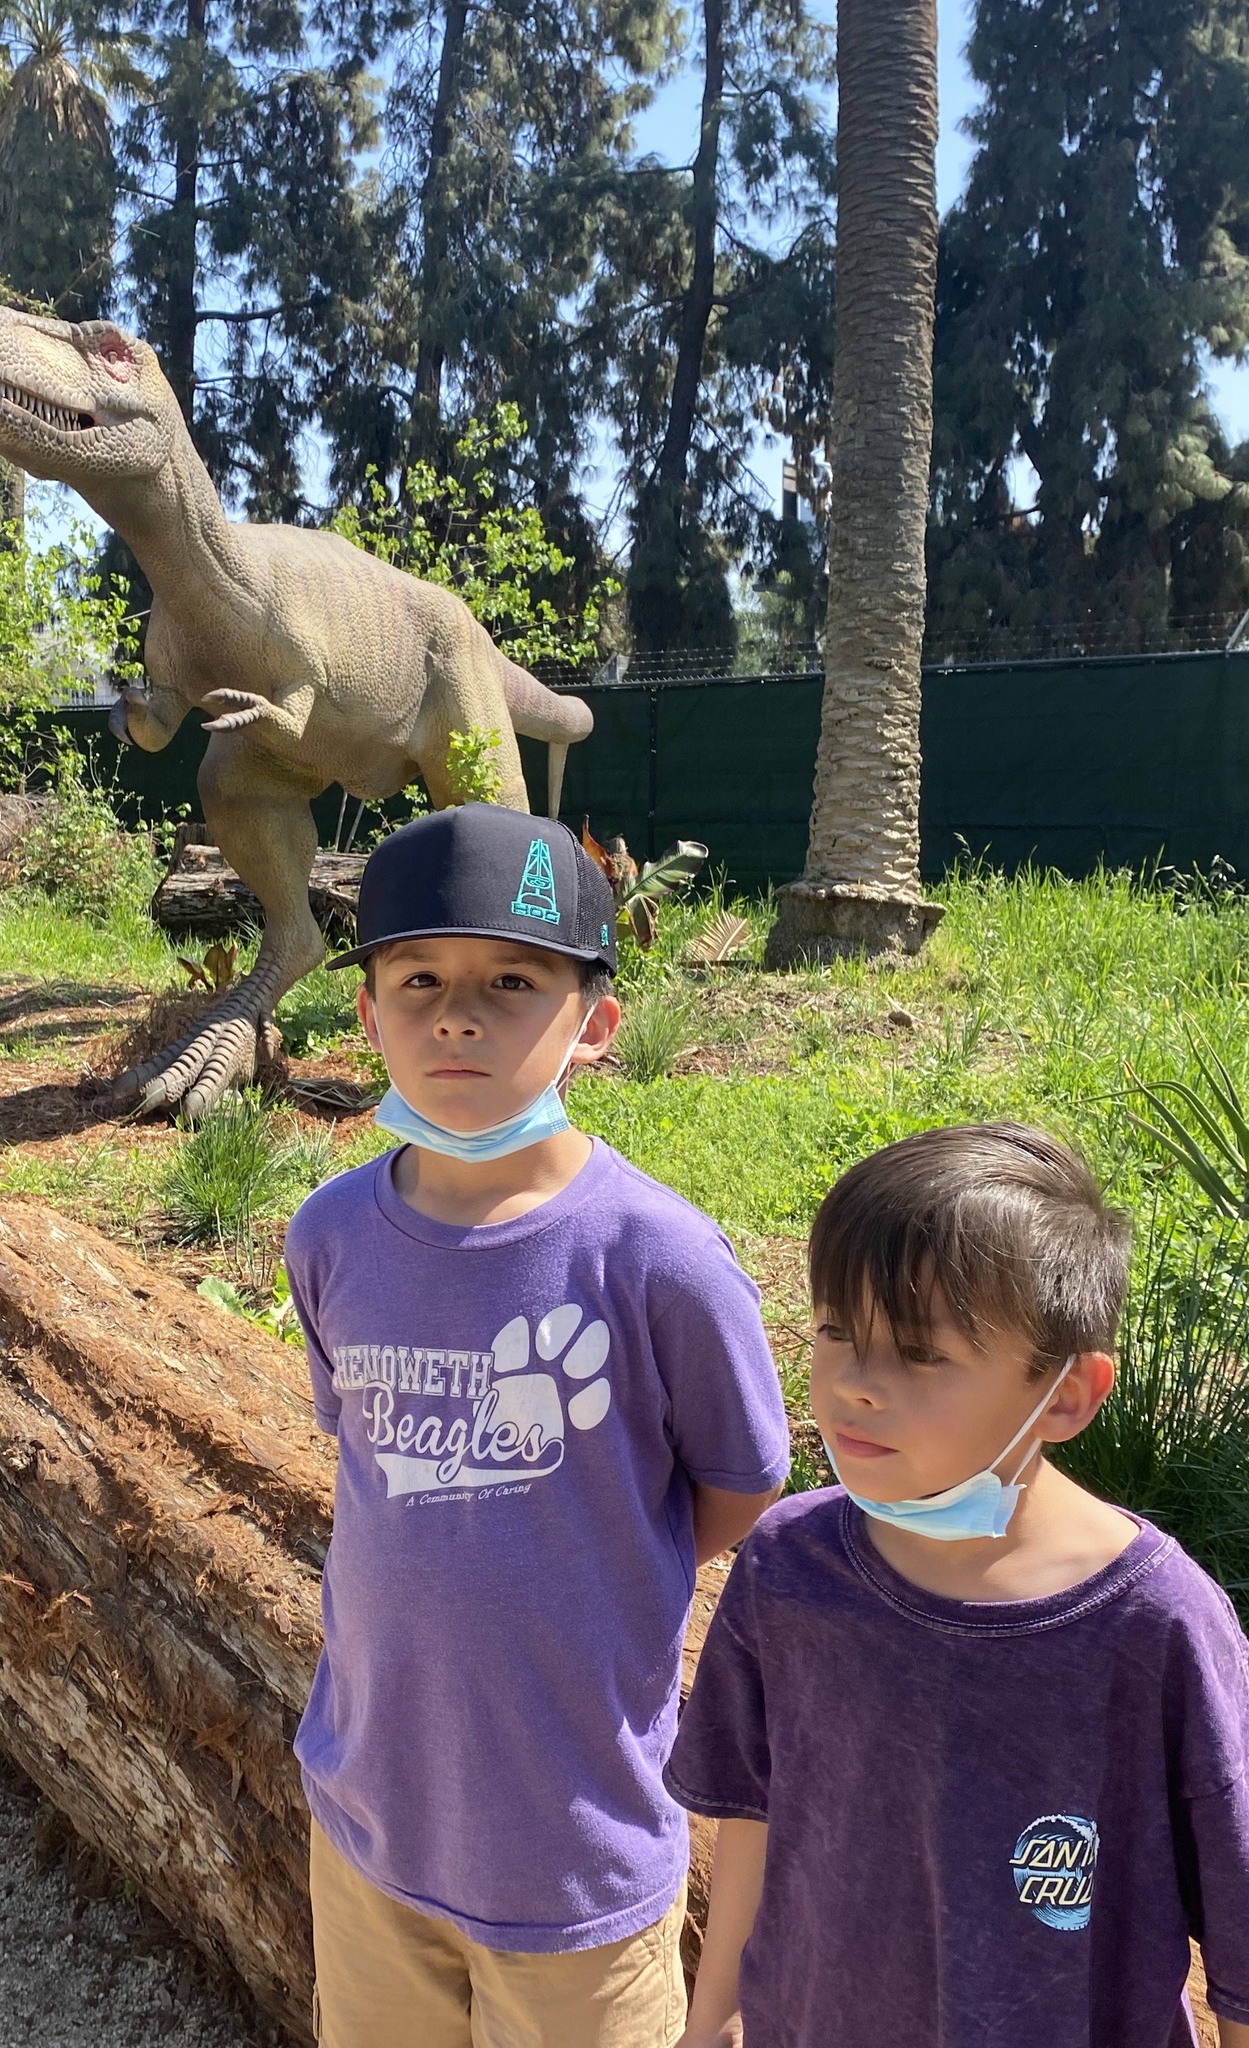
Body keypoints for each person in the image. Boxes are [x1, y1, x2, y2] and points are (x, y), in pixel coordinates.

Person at [282, 803, 792, 2048]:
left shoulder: (660, 1256)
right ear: (367, 1015)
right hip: (369, 1818)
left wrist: (600, 1545)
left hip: (577, 1848)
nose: (456, 1012)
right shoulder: (331, 1234)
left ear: (596, 1023)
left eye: (511, 979)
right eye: (418, 978)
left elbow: (738, 1485)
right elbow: (361, 1459)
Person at [667, 1121, 1249, 2048]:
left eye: (921, 1353)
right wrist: (713, 2025)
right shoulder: (789, 1567)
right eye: (835, 1331)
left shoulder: (1157, 1625)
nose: (856, 1382)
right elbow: (752, 1814)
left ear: (1066, 1393)